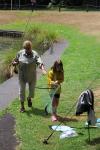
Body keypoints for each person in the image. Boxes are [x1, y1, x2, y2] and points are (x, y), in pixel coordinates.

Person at [12, 40, 46, 112]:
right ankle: (22, 107)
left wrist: (43, 69)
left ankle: (29, 98)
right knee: (22, 91)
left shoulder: (35, 54)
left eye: (28, 48)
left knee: (32, 92)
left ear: (31, 47)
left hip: (32, 76)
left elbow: (40, 62)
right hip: (22, 76)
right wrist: (14, 63)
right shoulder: (20, 53)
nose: (27, 50)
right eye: (26, 49)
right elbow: (15, 61)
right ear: (24, 48)